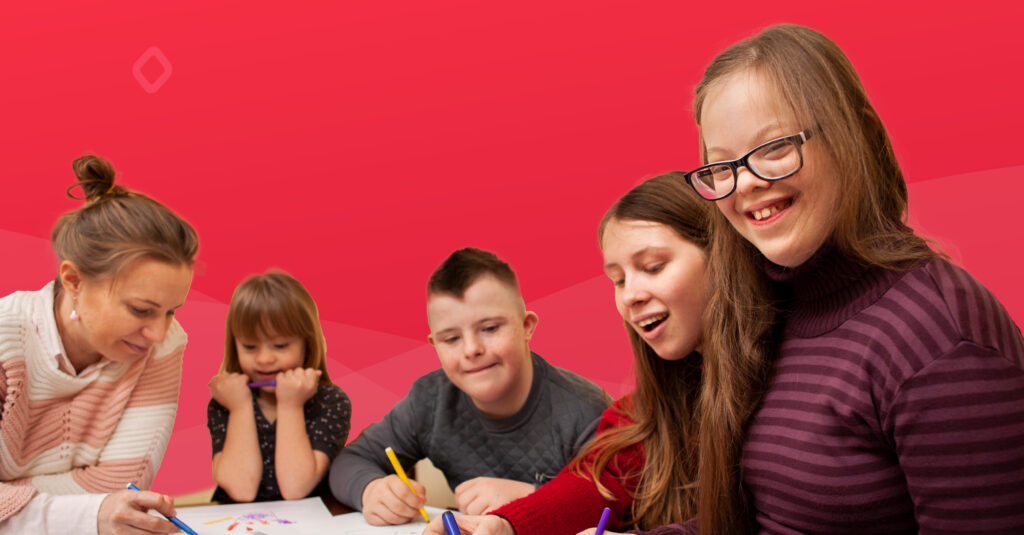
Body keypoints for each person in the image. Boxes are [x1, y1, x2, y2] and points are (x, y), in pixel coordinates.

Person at [665, 24, 1023, 534]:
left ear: (860, 135)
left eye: (773, 148)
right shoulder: (773, 309)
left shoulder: (941, 336)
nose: (744, 184)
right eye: (722, 165)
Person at [421, 173, 710, 535]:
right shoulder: (647, 406)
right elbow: (601, 480)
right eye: (618, 280)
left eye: (653, 267)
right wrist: (505, 525)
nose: (630, 295)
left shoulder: (785, 387)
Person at [330, 247, 610, 525]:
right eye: (451, 339)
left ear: (526, 326)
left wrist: (534, 498)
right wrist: (370, 490)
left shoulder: (587, 410)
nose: (472, 349)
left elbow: (625, 503)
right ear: (435, 345)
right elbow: (349, 461)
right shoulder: (430, 399)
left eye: (490, 329)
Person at [0, 155, 199, 534]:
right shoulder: (4, 339)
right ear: (74, 280)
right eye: (141, 309)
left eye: (171, 311)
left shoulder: (163, 346)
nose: (157, 333)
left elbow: (119, 487)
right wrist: (84, 513)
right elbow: (102, 505)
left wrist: (10, 500)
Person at [207, 270, 351, 502]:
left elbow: (295, 488)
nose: (264, 359)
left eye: (280, 345)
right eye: (250, 347)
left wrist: (291, 405)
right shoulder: (228, 400)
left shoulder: (330, 401)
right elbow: (241, 490)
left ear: (307, 344)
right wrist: (240, 407)